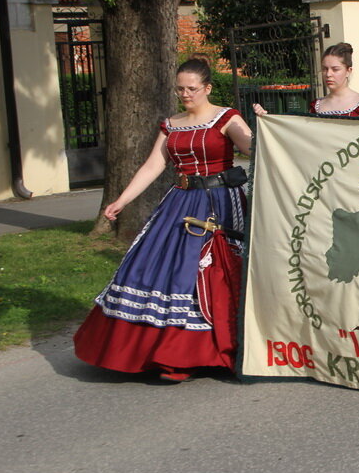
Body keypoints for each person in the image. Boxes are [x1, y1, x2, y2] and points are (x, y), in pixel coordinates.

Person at [74, 55, 252, 382]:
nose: (185, 94)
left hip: (221, 201)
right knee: (159, 265)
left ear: (207, 88)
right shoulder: (171, 123)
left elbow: (254, 149)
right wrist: (121, 201)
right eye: (180, 89)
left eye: (192, 89)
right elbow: (153, 166)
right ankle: (159, 349)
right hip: (180, 202)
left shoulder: (227, 118)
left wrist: (269, 128)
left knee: (210, 269)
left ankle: (218, 347)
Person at [255, 43, 359, 118]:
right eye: (324, 69)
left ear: (348, 70)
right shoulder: (315, 106)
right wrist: (267, 118)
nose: (328, 74)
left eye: (335, 69)